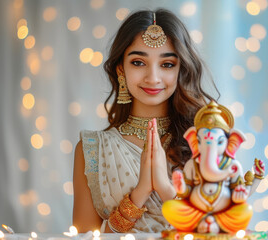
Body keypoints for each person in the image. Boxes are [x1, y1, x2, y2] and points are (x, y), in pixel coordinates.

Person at [72, 8, 218, 233]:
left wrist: (164, 188)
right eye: (138, 62)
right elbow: (82, 238)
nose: (153, 77)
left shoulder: (206, 141)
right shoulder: (92, 150)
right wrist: (139, 194)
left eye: (167, 64)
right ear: (121, 69)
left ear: (181, 70)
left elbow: (218, 232)